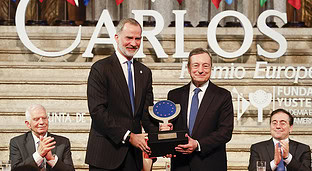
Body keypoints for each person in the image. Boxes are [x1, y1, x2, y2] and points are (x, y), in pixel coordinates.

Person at [85, 18, 158, 171]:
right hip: (105, 155)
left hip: (134, 158)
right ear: (117, 38)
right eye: (129, 37)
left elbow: (146, 114)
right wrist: (129, 136)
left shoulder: (144, 73)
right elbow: (98, 112)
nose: (134, 43)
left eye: (138, 38)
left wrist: (160, 138)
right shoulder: (100, 69)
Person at [167, 48, 234, 171]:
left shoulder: (223, 96)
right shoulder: (174, 95)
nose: (201, 70)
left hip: (210, 165)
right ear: (188, 68)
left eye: (206, 66)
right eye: (196, 65)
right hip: (180, 165)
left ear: (211, 68)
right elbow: (171, 128)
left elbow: (225, 132)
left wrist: (198, 144)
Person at [9, 104, 75, 171]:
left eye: (44, 118)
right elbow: (15, 169)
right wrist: (38, 155)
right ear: (28, 124)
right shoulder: (17, 143)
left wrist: (52, 160)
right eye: (36, 119)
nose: (41, 122)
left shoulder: (63, 142)